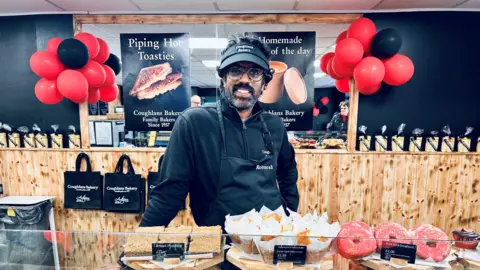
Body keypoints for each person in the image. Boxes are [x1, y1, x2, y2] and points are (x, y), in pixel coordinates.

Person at [140, 35, 299, 228]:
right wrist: (139, 243)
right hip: (219, 243)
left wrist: (289, 215)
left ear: (265, 82)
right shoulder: (194, 123)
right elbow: (168, 193)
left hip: (270, 240)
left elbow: (288, 172)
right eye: (235, 71)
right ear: (223, 78)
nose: (244, 80)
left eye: (255, 73)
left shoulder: (275, 126)